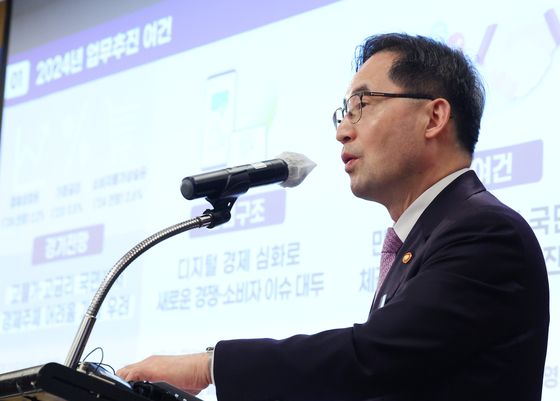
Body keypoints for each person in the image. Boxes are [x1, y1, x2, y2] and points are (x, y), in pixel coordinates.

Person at [117, 33, 550, 401]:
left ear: (434, 116)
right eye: (344, 112)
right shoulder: (429, 236)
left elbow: (372, 356)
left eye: (363, 104)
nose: (343, 129)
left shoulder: (487, 232)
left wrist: (208, 367)